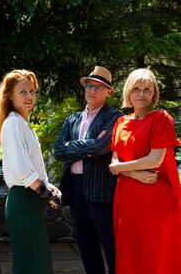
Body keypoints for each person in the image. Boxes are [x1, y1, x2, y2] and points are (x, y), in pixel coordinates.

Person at [0, 69, 61, 274]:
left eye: (32, 91)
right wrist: (47, 193)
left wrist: (48, 187)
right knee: (30, 264)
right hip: (24, 199)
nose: (29, 97)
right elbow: (22, 171)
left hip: (30, 199)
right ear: (10, 96)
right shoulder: (13, 124)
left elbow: (33, 167)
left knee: (36, 262)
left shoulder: (21, 123)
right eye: (22, 92)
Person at [109, 68, 181, 273]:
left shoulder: (161, 118)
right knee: (130, 251)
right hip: (127, 198)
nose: (141, 94)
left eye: (147, 90)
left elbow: (155, 159)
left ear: (154, 94)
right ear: (128, 93)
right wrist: (132, 173)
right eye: (137, 89)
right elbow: (115, 160)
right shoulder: (120, 122)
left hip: (155, 199)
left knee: (156, 254)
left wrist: (120, 169)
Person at [53, 66, 122, 274]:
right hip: (75, 188)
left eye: (99, 88)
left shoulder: (114, 116)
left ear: (108, 92)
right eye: (90, 86)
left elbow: (103, 146)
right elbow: (58, 150)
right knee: (85, 246)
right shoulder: (72, 119)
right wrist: (89, 147)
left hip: (101, 190)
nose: (92, 90)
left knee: (110, 246)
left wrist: (73, 147)